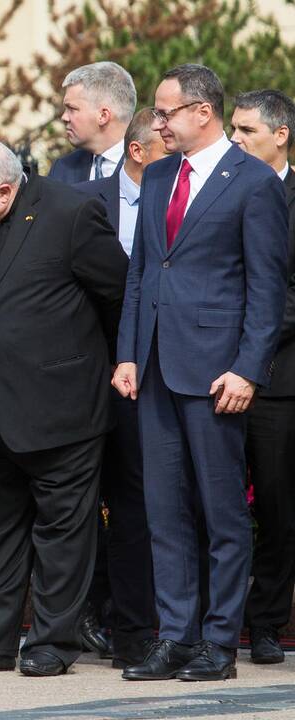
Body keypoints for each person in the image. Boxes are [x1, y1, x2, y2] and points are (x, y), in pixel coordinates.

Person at [112, 64, 289, 682]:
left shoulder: (254, 183)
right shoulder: (158, 174)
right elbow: (142, 273)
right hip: (157, 366)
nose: (156, 123)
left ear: (201, 112)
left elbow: (267, 289)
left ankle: (219, 641)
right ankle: (176, 635)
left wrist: (248, 369)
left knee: (221, 512)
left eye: (165, 113)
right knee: (165, 511)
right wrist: (129, 354)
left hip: (217, 373)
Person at [0, 139, 127, 677]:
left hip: (61, 407)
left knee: (63, 534)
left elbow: (119, 295)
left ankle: (51, 644)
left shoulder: (71, 212)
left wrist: (109, 366)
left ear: (6, 188)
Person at [75, 108, 167, 669]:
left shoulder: (178, 199)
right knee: (81, 500)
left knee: (135, 501)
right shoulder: (86, 202)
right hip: (87, 373)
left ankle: (132, 627)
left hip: (155, 375)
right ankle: (85, 613)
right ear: (138, 151)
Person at [230, 88, 295, 666]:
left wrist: (248, 340)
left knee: (275, 504)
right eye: (232, 128)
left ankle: (267, 621)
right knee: (214, 501)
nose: (235, 139)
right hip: (214, 374)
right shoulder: (222, 184)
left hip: (277, 379)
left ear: (280, 135)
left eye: (247, 130)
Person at [49, 62, 136, 183]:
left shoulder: (150, 168)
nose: (64, 117)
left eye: (72, 109)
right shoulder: (63, 169)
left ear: (103, 115)